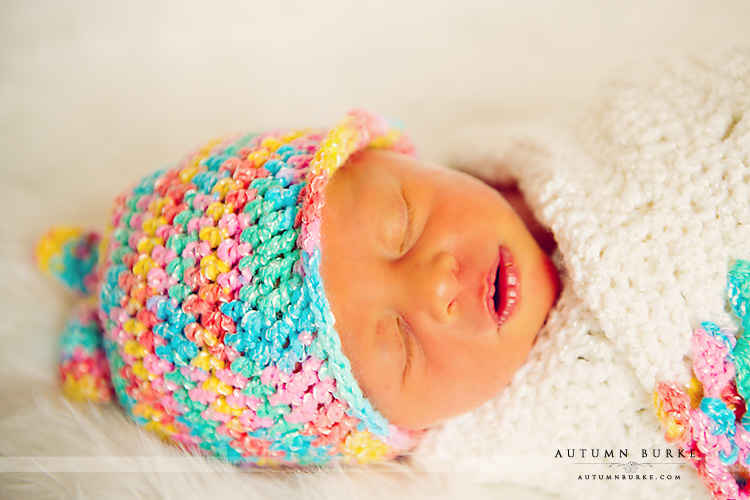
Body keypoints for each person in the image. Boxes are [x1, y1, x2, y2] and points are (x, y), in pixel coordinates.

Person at [36, 46, 750, 499]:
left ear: (402, 154)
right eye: (399, 346)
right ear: (397, 436)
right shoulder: (543, 447)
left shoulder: (602, 136)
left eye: (403, 219)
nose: (434, 285)